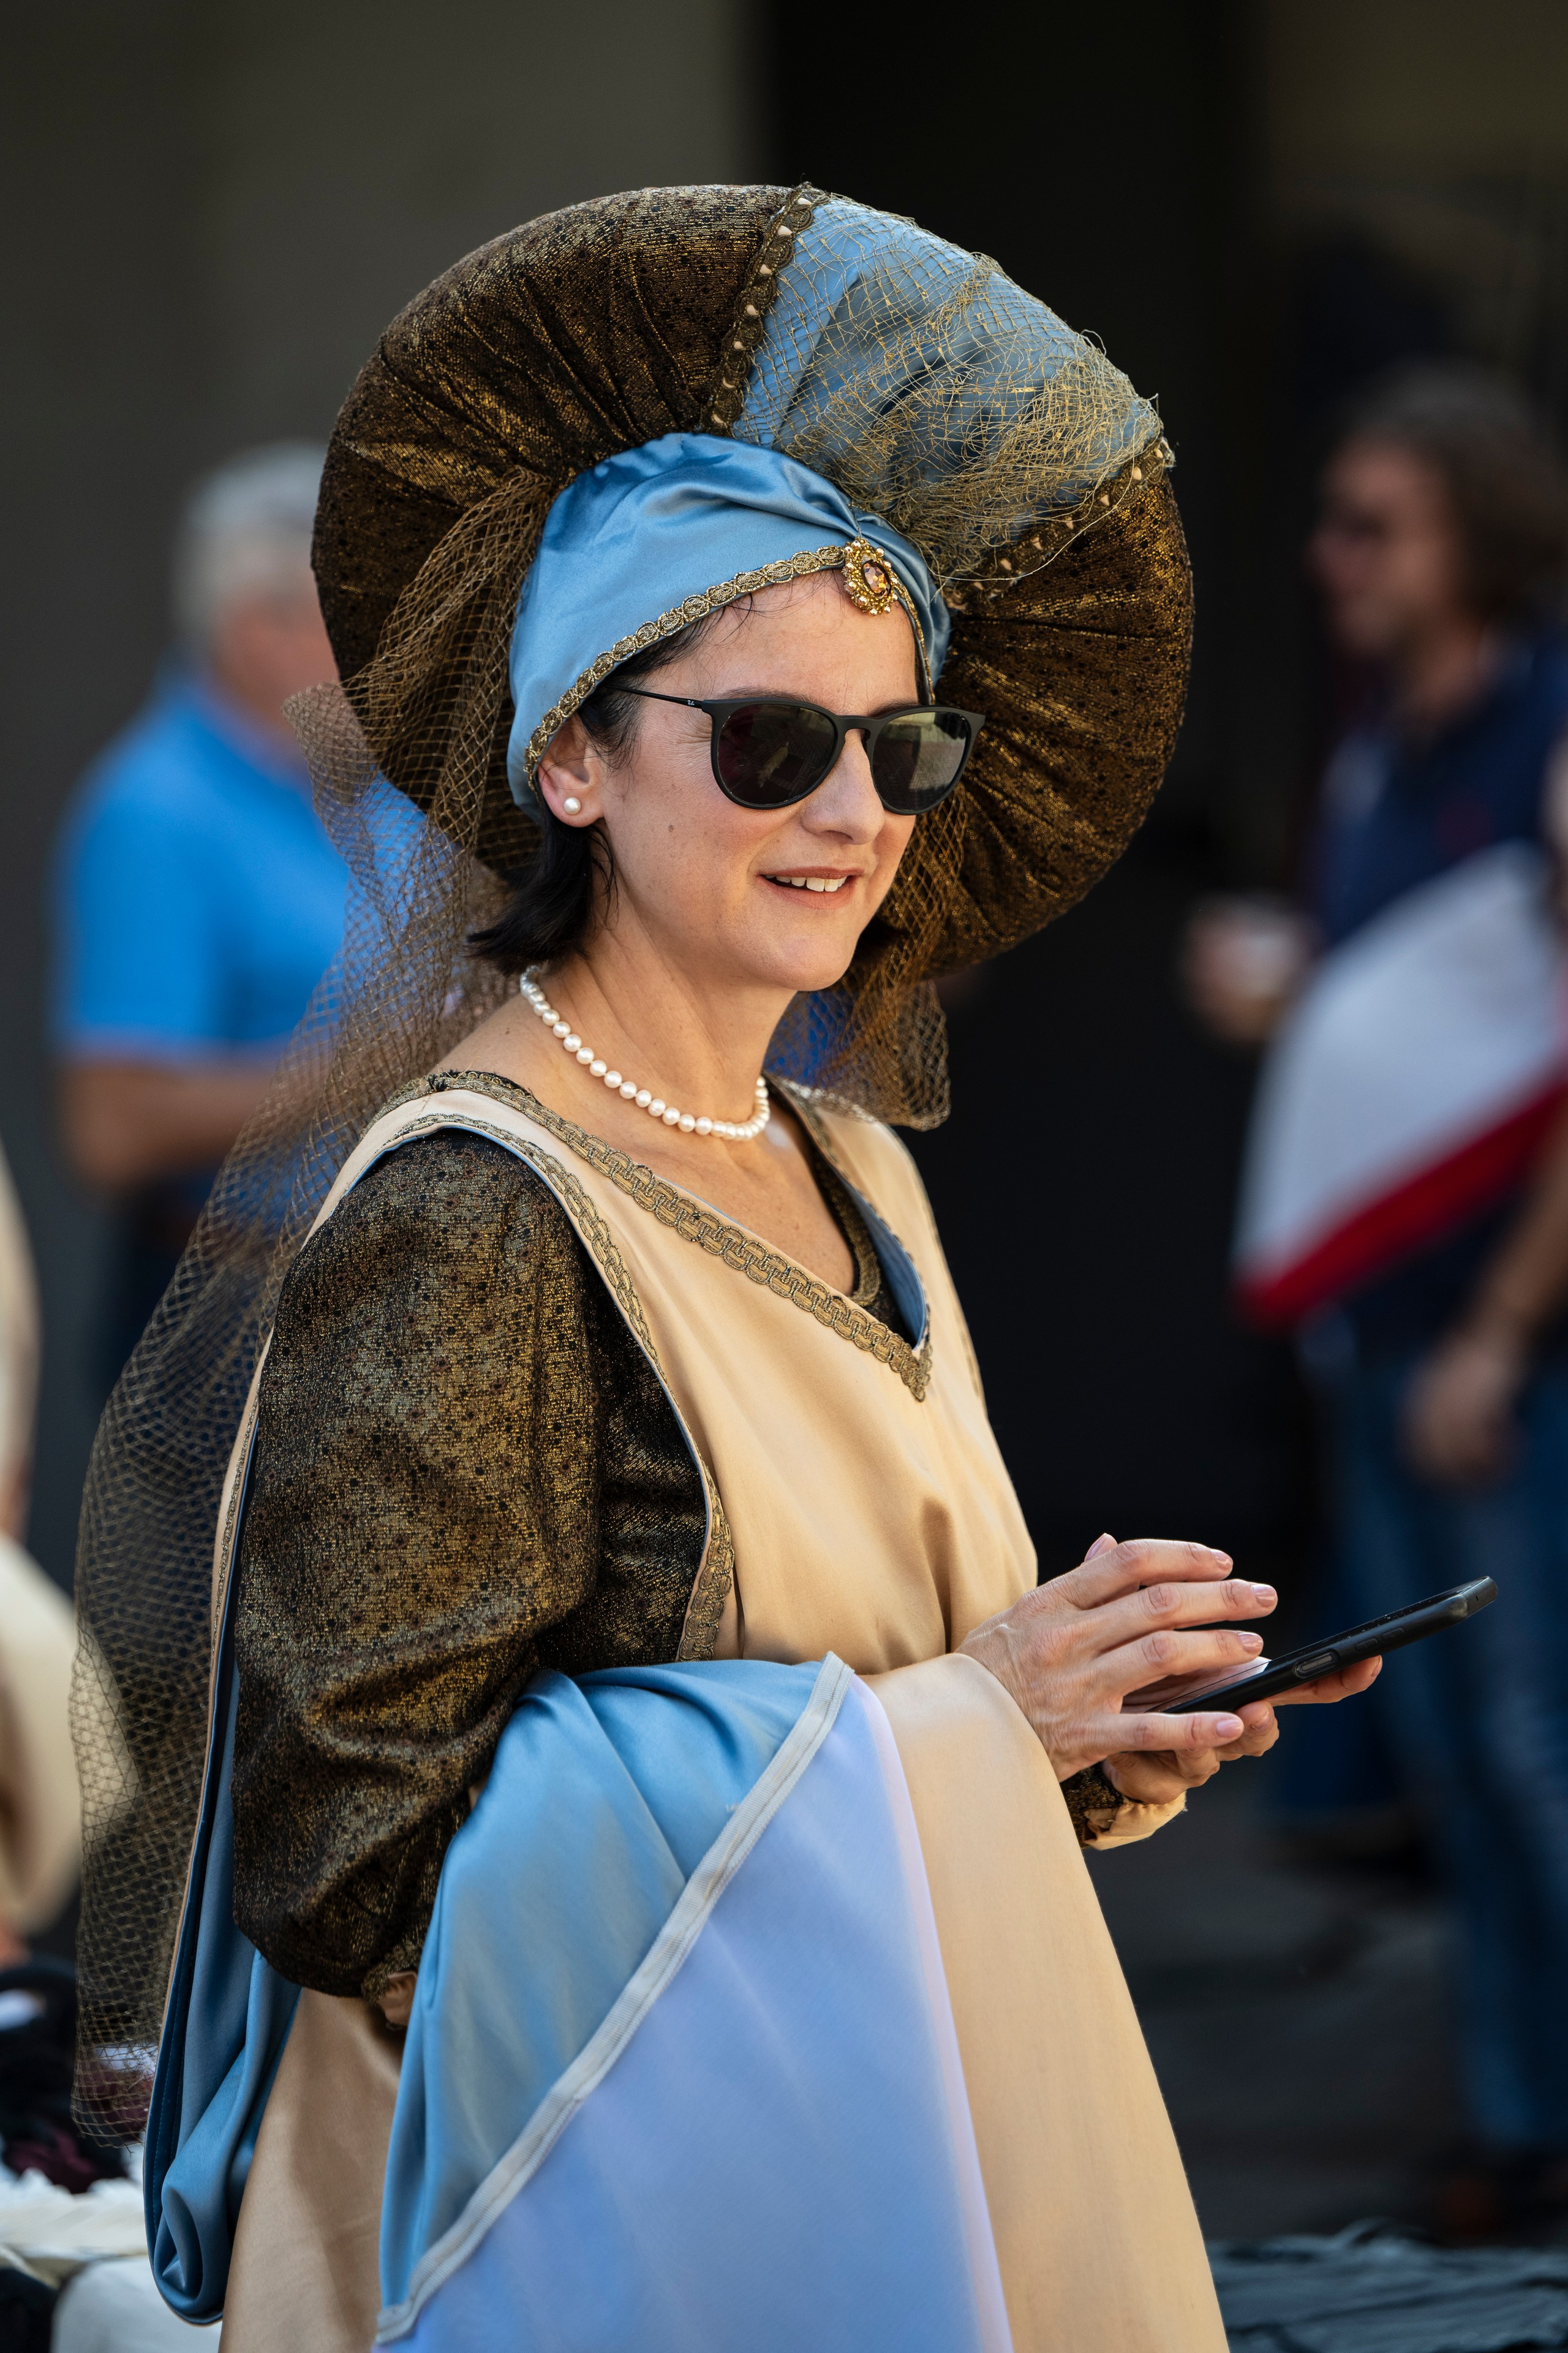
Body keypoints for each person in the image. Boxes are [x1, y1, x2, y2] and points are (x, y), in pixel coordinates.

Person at [78, 186, 1374, 2352]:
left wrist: (1079, 1722)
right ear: (571, 756)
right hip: (600, 2245)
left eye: (902, 744)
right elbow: (357, 1857)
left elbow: (868, 1721)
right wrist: (959, 1727)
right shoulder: (468, 1217)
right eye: (769, 739)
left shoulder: (855, 1154)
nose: (854, 808)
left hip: (893, 2158)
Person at [1188, 364, 1568, 2230]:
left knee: (1539, 1744)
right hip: (1386, 1345)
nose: (1330, 558)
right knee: (1458, 1766)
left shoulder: (1552, 729)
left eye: (1374, 525)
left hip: (1512, 1354)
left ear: (1476, 535)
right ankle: (1522, 2126)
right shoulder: (1372, 744)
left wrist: (1502, 1328)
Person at [53, 444, 345, 1388]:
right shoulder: (156, 813)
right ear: (258, 630)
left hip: (375, 1288)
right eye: (357, 608)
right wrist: (377, 1064)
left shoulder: (365, 786)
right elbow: (112, 1126)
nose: (391, 638)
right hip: (225, 1317)